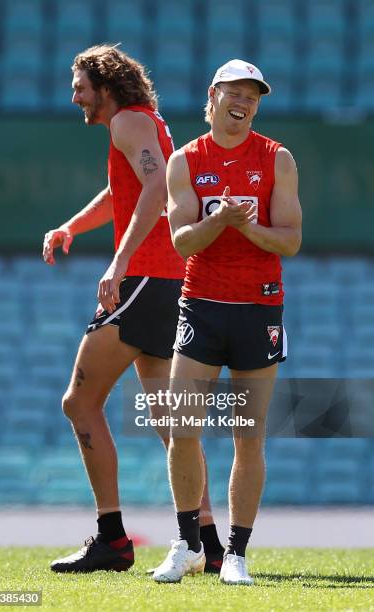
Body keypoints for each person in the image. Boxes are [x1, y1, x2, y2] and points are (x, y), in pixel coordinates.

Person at [42, 44, 224, 574]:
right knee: (173, 422)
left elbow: (153, 188)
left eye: (80, 85)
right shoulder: (141, 123)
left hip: (147, 278)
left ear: (105, 85)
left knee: (79, 401)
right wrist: (72, 227)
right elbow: (124, 191)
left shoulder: (127, 122)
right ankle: (209, 544)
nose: (74, 95)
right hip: (166, 278)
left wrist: (117, 266)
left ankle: (113, 539)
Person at [152, 59, 302, 584]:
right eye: (235, 92)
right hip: (202, 304)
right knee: (181, 425)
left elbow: (290, 239)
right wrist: (219, 219)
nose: (244, 102)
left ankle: (235, 554)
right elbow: (181, 240)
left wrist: (249, 224)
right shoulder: (186, 160)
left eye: (254, 96)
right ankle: (189, 544)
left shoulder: (276, 158)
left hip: (260, 307)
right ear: (213, 95)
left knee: (248, 435)